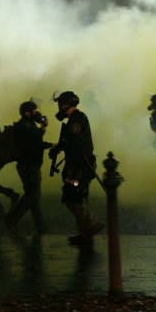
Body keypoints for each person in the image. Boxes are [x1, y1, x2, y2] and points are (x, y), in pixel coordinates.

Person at [48, 91, 103, 248]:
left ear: (66, 104)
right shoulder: (74, 119)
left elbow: (76, 143)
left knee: (72, 197)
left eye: (60, 104)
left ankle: (91, 224)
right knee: (78, 198)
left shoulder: (77, 119)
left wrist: (60, 147)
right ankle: (85, 235)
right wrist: (59, 147)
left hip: (79, 166)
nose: (59, 107)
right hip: (76, 165)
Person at [4, 100, 50, 235]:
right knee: (32, 195)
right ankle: (11, 219)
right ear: (27, 113)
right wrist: (43, 129)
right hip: (28, 165)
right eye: (34, 111)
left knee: (34, 197)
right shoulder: (24, 126)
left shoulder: (28, 124)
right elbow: (34, 142)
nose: (37, 114)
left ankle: (40, 227)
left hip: (30, 164)